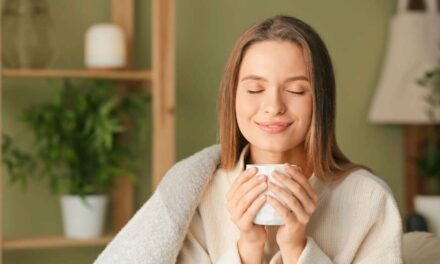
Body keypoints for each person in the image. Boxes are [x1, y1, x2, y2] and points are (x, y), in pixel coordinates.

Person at [94, 15, 403, 264]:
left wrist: (297, 248)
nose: (273, 106)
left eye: (296, 90)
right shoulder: (198, 197)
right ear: (233, 97)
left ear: (321, 100)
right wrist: (247, 249)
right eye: (255, 89)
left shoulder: (369, 200)